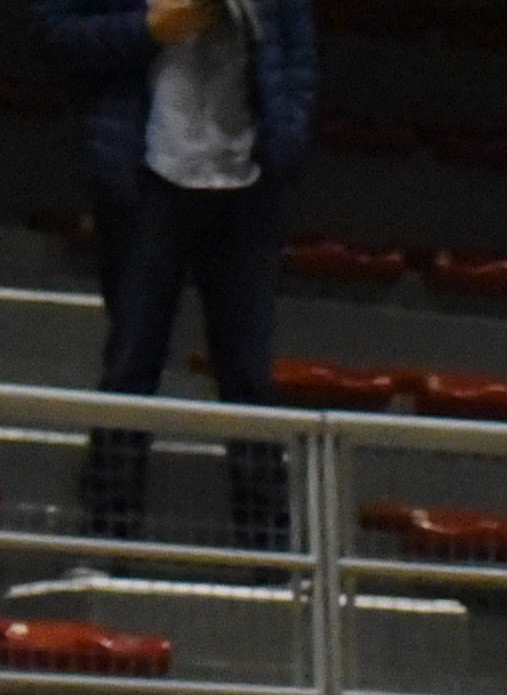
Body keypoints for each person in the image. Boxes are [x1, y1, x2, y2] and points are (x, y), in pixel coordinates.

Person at [37, 0, 312, 548]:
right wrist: (146, 30)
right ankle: (108, 541)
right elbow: (53, 35)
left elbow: (297, 59)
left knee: (250, 376)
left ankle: (270, 557)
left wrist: (284, 137)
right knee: (132, 363)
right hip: (147, 181)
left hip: (246, 184)